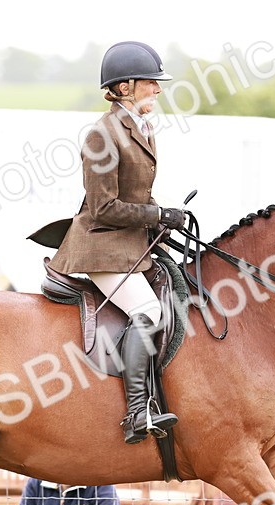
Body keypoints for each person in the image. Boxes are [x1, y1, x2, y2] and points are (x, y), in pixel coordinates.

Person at [48, 41, 183, 445]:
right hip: (102, 246)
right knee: (147, 309)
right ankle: (138, 412)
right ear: (124, 87)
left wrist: (165, 216)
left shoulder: (140, 127)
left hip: (130, 243)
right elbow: (104, 206)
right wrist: (158, 216)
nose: (158, 91)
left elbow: (139, 195)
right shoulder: (102, 136)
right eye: (151, 84)